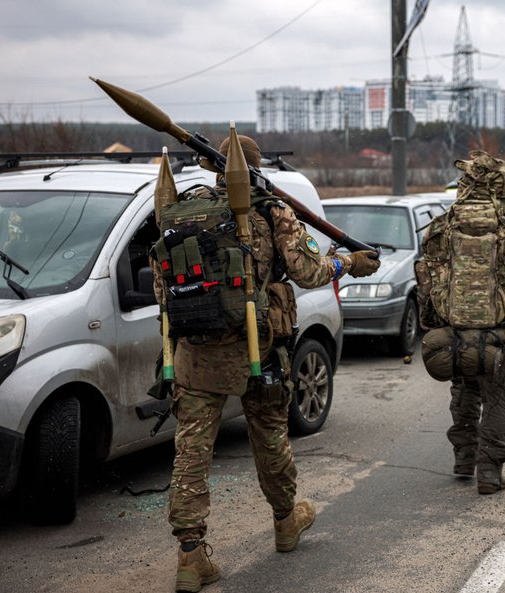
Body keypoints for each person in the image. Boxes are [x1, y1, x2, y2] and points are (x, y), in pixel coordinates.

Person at [153, 135, 380, 592]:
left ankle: (190, 556)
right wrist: (350, 263)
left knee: (191, 453)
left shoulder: (184, 209)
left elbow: (162, 288)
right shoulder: (271, 209)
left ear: (215, 170)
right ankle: (284, 521)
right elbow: (309, 272)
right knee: (270, 438)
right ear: (255, 171)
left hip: (194, 352)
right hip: (256, 351)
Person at [419, 150, 505, 495]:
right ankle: (490, 473)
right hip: (504, 332)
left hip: (453, 329)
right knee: (499, 398)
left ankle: (464, 459)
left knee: (464, 390)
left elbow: (428, 271)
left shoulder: (445, 221)